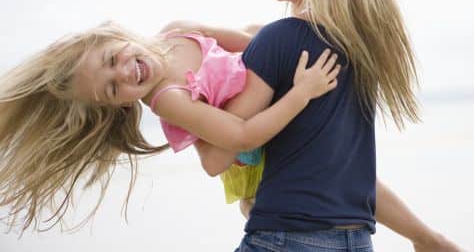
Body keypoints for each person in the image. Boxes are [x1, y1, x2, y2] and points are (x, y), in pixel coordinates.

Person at [170, 0, 465, 251]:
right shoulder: (360, 47)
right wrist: (424, 237)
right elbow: (352, 178)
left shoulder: (280, 40)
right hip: (355, 241)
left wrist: (185, 102)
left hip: (285, 239)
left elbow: (216, 159)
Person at [0, 21, 340, 233]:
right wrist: (301, 93)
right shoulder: (168, 99)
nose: (123, 73)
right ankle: (255, 205)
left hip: (260, 108)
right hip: (248, 145)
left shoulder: (177, 31)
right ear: (118, 104)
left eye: (111, 58)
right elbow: (239, 136)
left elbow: (259, 46)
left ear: (116, 34)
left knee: (256, 27)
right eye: (113, 88)